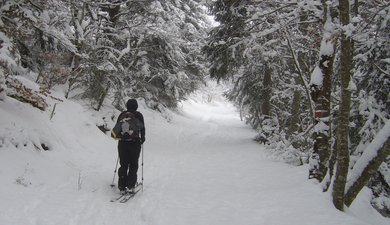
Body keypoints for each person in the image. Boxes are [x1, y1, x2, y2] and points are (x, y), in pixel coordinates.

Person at [116, 99, 145, 192]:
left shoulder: (122, 115)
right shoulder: (139, 115)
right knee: (133, 164)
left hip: (123, 143)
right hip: (135, 143)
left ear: (127, 105)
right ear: (136, 106)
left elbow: (116, 130)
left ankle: (121, 185)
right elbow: (142, 129)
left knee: (123, 164)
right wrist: (142, 139)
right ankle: (130, 185)